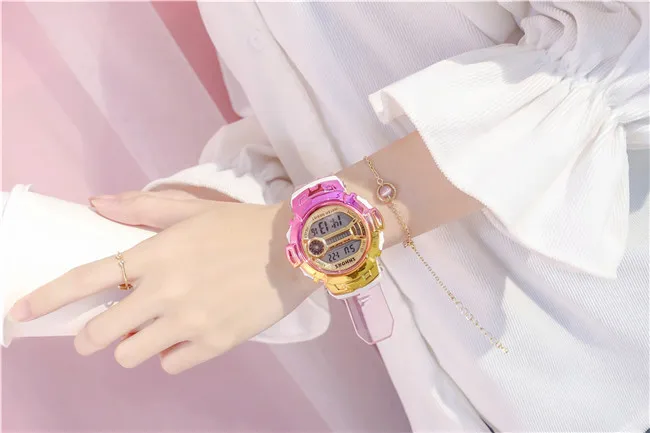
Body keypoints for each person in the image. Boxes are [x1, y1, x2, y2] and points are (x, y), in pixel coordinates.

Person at [8, 2, 648, 431]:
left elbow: (625, 47)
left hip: (615, 359)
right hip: (467, 399)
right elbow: (308, 128)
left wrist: (302, 237)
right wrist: (209, 222)